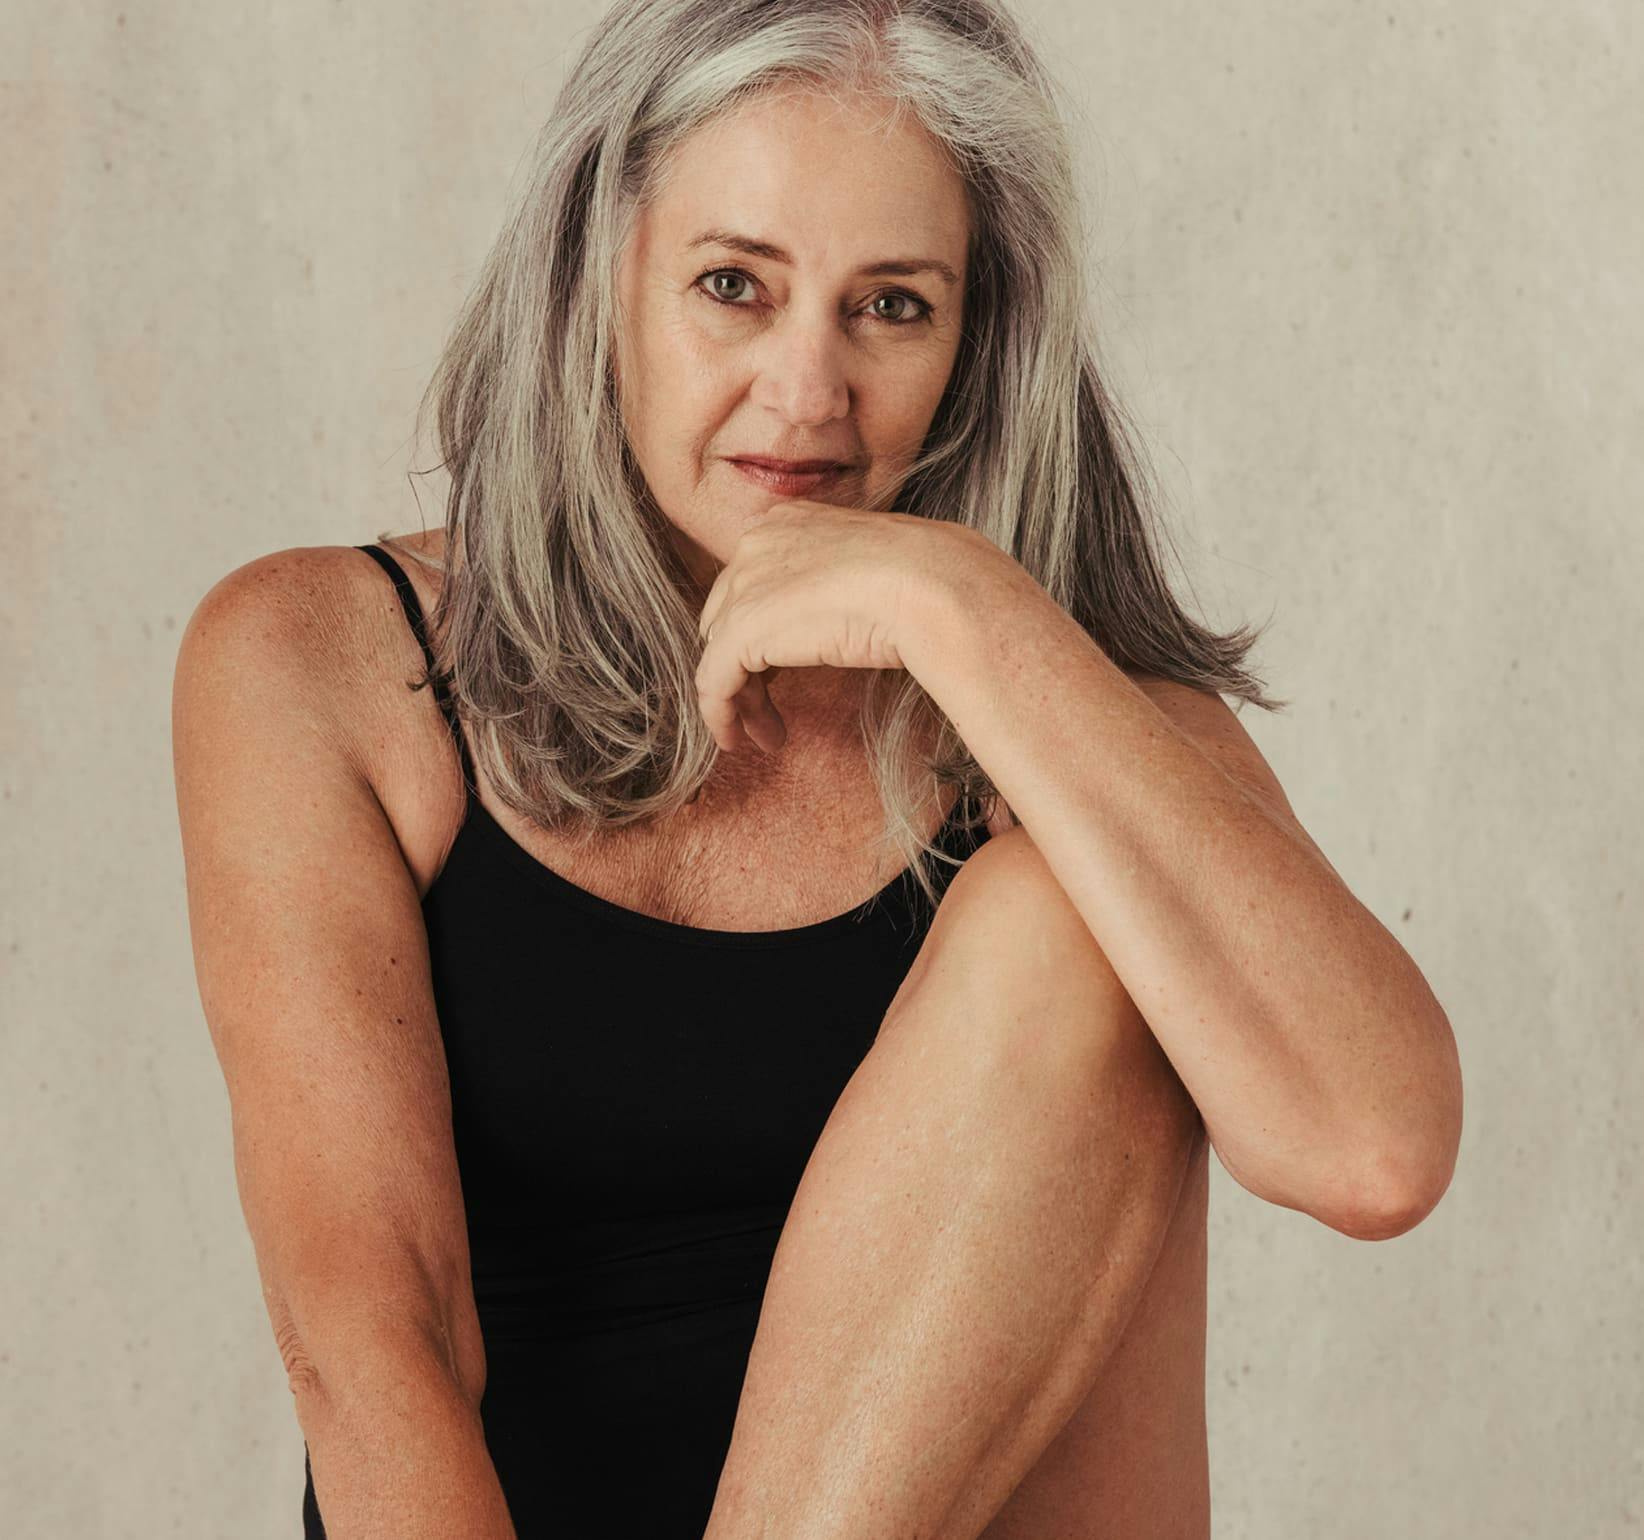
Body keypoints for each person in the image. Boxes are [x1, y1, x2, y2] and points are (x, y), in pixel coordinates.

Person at [173, 1, 1461, 1536]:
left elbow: (1374, 1149)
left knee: (1076, 905)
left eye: (894, 307)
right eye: (734, 286)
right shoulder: (326, 664)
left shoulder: (1084, 725)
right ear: (604, 281)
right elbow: (374, 1322)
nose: (809, 393)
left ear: (981, 341)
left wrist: (962, 605)